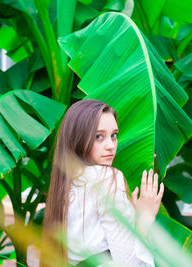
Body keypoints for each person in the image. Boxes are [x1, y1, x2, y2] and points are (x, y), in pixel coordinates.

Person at [39, 99, 164, 267]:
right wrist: (144, 220)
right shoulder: (107, 178)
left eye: (114, 135)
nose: (111, 145)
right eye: (99, 137)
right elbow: (128, 264)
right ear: (79, 140)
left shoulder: (64, 185)